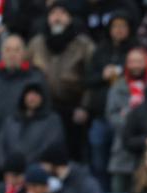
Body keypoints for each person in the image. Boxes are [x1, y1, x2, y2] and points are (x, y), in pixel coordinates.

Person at [26, 1, 96, 157]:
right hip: (44, 108)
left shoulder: (83, 45)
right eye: (53, 14)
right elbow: (27, 76)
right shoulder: (36, 43)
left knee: (72, 153)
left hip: (73, 108)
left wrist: (85, 106)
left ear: (70, 18)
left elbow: (91, 78)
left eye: (62, 13)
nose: (57, 18)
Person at [0, 35, 49, 177]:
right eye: (8, 50)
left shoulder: (35, 79)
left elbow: (44, 113)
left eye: (17, 50)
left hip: (24, 154)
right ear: (1, 53)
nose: (12, 54)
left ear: (24, 53)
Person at [84, 11, 137, 189]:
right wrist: (102, 75)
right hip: (100, 116)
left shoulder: (136, 50)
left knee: (123, 166)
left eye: (123, 26)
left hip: (125, 118)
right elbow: (87, 80)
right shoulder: (101, 50)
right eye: (115, 26)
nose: (119, 30)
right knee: (99, 163)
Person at [0, 82, 66, 176]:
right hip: (9, 173)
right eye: (30, 94)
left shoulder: (52, 120)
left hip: (36, 175)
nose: (32, 98)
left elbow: (51, 145)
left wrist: (27, 167)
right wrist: (6, 165)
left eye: (36, 94)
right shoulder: (11, 120)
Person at [106, 47, 147, 193]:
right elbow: (111, 115)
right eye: (132, 61)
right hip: (121, 148)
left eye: (139, 61)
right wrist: (129, 127)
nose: (135, 65)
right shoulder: (117, 86)